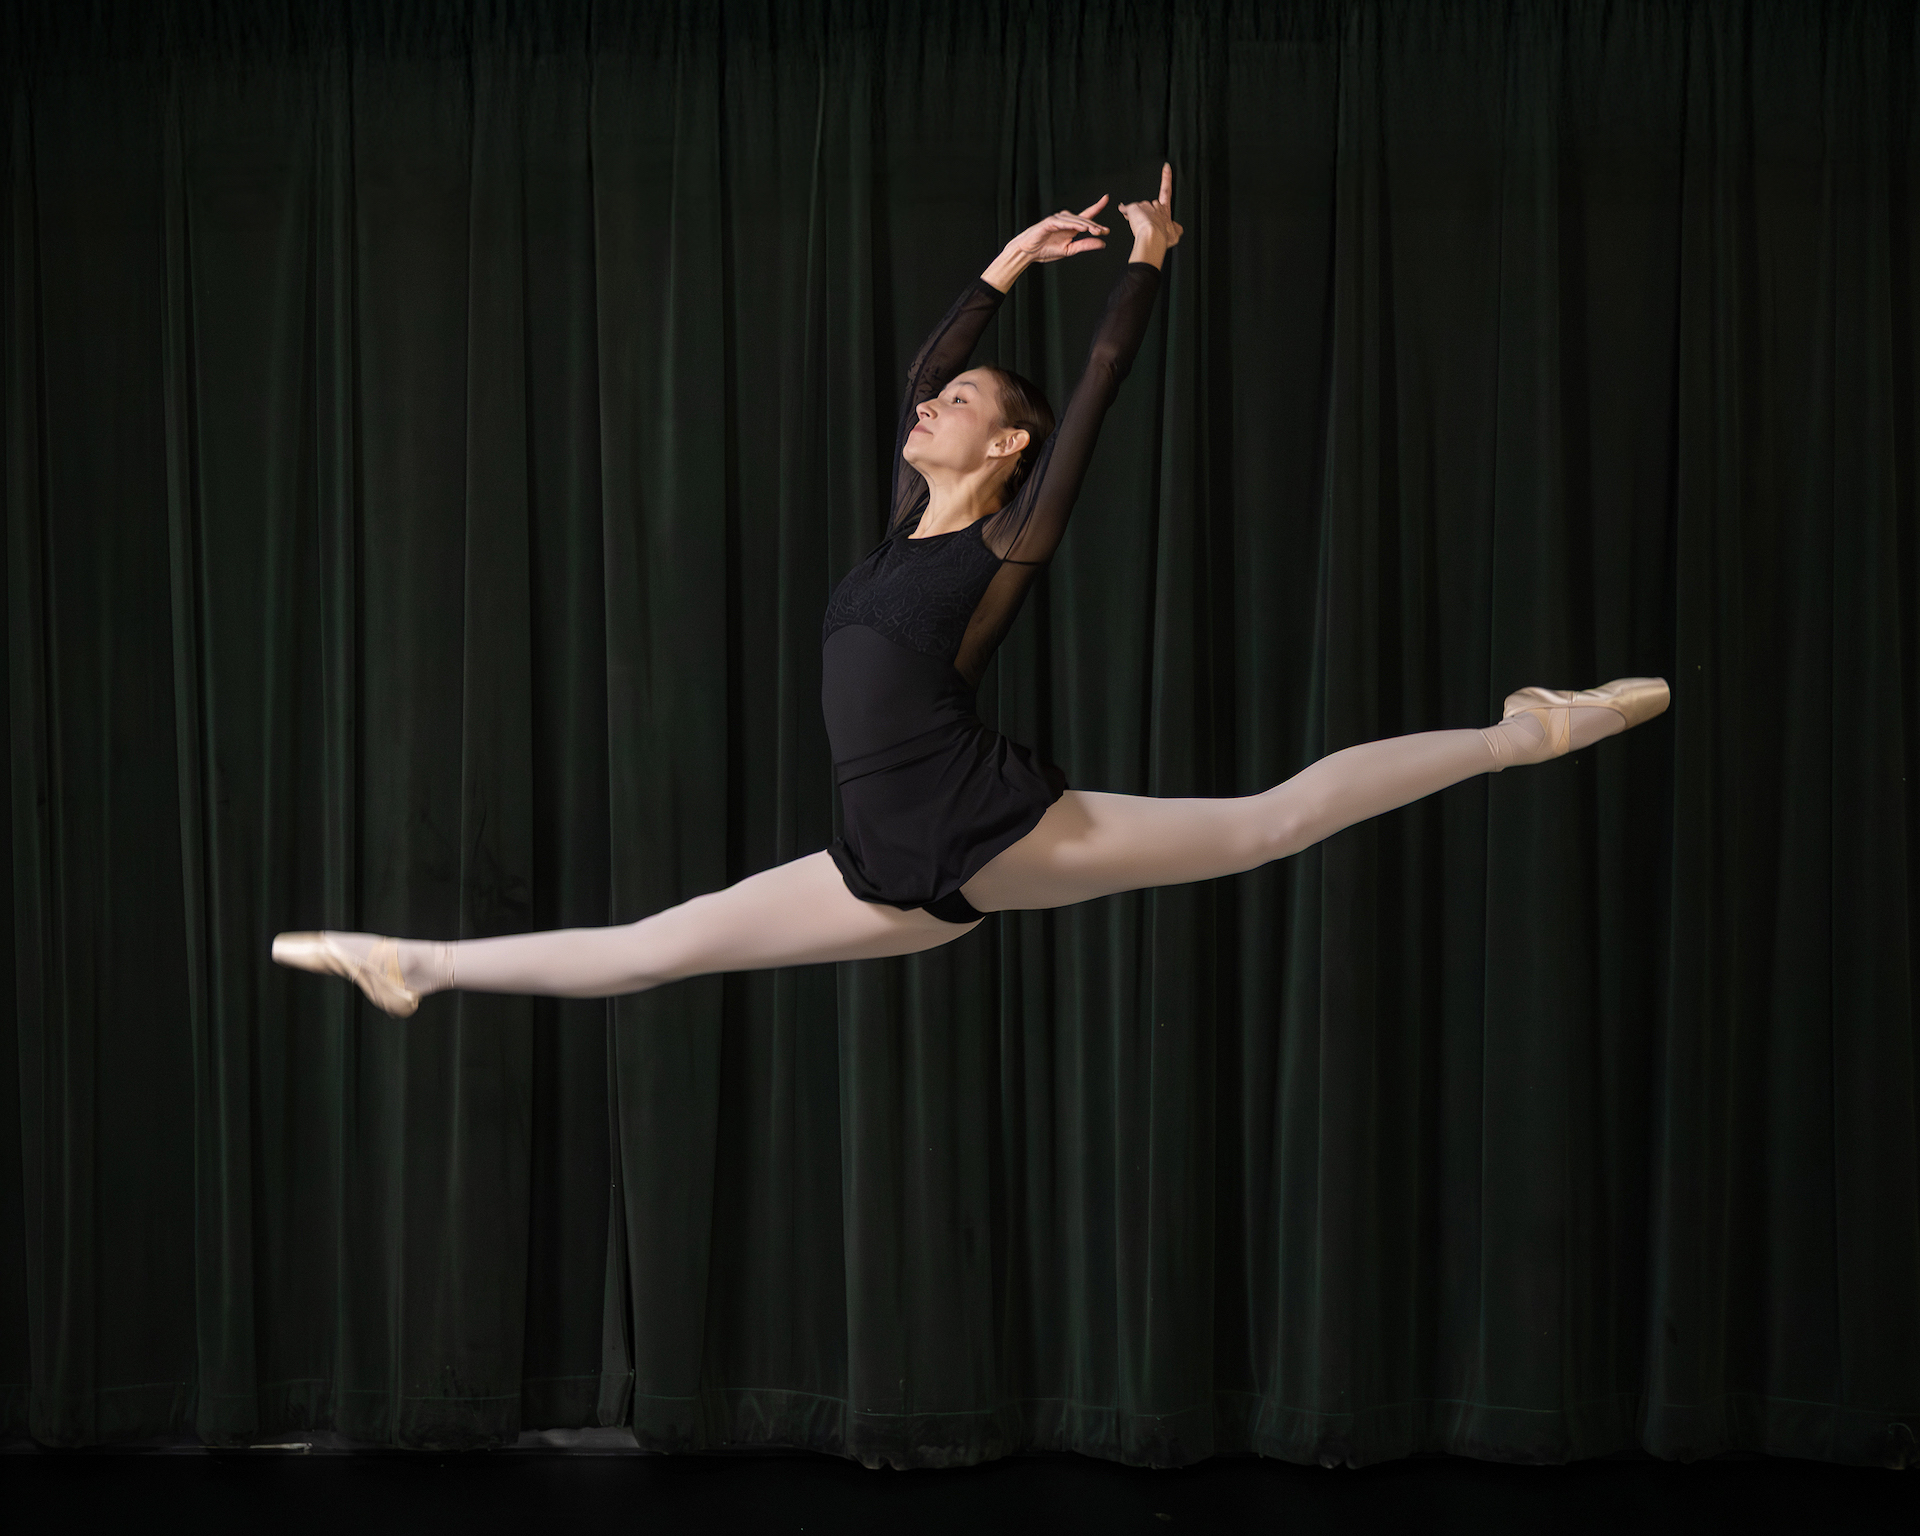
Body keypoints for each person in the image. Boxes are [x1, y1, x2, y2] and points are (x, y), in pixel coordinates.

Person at [274, 162, 1668, 1017]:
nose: (929, 404)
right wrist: (1006, 264)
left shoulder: (1002, 546)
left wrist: (1144, 265)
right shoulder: (902, 532)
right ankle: (419, 964)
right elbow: (921, 369)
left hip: (969, 821)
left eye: (962, 404)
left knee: (1267, 824)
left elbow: (1096, 394)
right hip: (882, 867)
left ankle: (1527, 731)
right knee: (652, 951)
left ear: (1007, 449)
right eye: (934, 398)